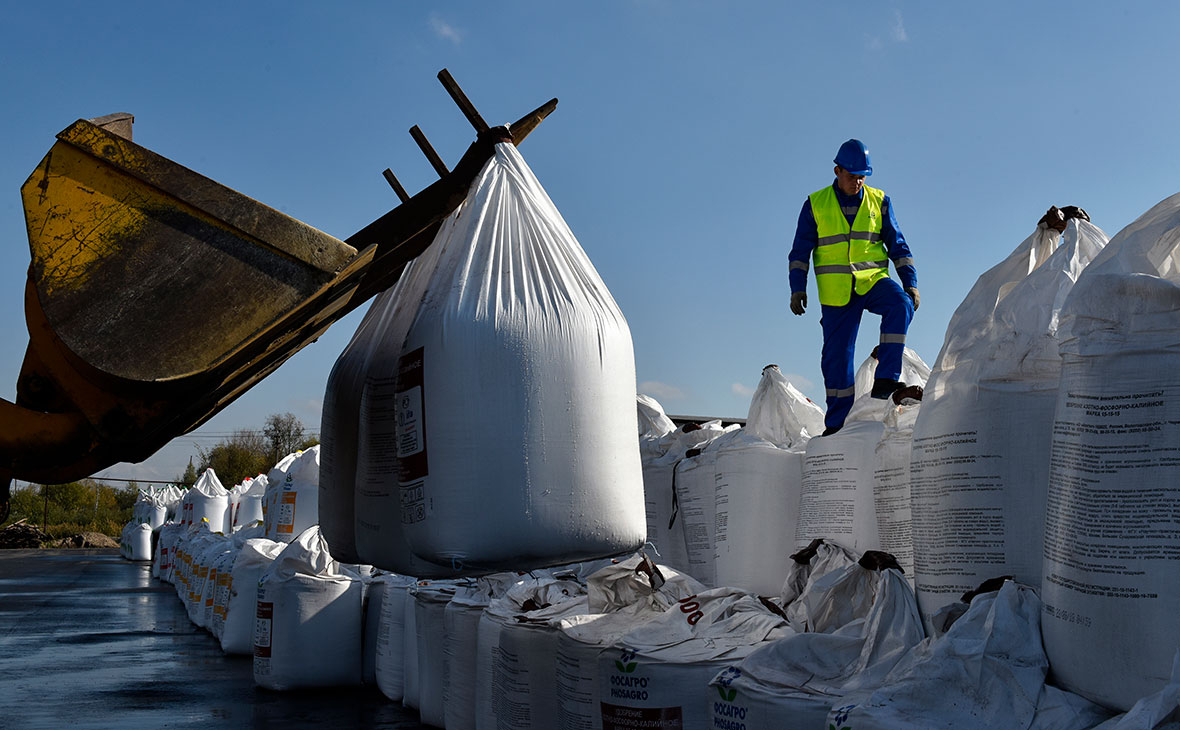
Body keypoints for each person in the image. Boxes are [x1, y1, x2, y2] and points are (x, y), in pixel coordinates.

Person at [789, 139, 920, 435]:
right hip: (837, 293)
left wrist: (910, 283)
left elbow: (898, 245)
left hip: (872, 280)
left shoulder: (880, 201)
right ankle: (837, 426)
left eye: (863, 176)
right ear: (837, 171)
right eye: (852, 176)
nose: (858, 181)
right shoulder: (815, 204)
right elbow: (799, 252)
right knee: (836, 361)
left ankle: (887, 379)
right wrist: (798, 287)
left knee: (900, 304)